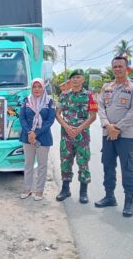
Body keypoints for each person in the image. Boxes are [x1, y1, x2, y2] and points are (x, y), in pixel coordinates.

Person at [95, 56, 133, 217]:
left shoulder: (132, 87)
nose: (117, 69)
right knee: (108, 165)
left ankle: (129, 202)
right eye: (115, 66)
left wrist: (117, 127)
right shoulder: (106, 87)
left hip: (126, 135)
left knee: (127, 168)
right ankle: (109, 196)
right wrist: (108, 126)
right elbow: (100, 107)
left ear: (127, 69)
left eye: (120, 66)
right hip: (107, 134)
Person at [56, 69, 97, 204]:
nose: (75, 80)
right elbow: (57, 114)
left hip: (82, 136)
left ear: (83, 79)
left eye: (78, 77)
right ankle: (65, 189)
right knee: (65, 162)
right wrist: (67, 127)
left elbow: (93, 116)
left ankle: (83, 192)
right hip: (66, 136)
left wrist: (79, 128)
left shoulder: (90, 96)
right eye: (73, 78)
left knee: (83, 163)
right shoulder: (63, 95)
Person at [19, 78, 55, 200]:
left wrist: (36, 133)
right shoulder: (26, 101)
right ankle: (27, 189)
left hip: (43, 138)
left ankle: (39, 191)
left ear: (43, 88)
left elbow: (50, 120)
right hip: (27, 137)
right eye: (34, 87)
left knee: (42, 165)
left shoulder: (49, 102)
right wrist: (30, 132)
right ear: (31, 88)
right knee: (28, 164)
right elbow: (22, 118)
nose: (37, 89)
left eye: (39, 86)